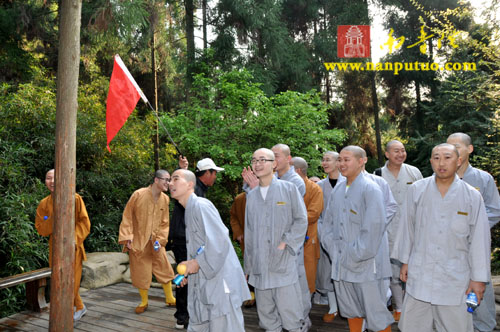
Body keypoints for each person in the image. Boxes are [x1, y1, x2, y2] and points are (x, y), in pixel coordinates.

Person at [392, 143, 491, 332]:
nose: (441, 163)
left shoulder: (471, 196)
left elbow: (479, 240)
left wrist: (478, 279)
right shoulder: (417, 190)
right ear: (431, 162)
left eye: (447, 157)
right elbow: (407, 228)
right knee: (412, 327)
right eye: (436, 158)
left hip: (455, 278)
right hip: (420, 274)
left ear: (459, 161)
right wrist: (405, 261)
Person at [321, 146, 393, 332]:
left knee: (375, 312)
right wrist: (333, 248)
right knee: (350, 308)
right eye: (340, 160)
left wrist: (354, 253)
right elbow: (327, 223)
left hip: (366, 264)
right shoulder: (338, 190)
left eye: (347, 160)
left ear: (361, 161)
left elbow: (373, 228)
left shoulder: (371, 189)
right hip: (340, 262)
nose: (342, 164)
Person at [169, 169, 250, 332]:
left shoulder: (201, 205)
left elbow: (219, 242)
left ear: (190, 184)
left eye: (176, 179)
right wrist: (187, 270)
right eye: (169, 180)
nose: (170, 183)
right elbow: (201, 247)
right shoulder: (189, 210)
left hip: (221, 284)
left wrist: (196, 263)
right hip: (205, 283)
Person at [244, 148, 308, 332]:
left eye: (263, 159)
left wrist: (285, 243)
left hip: (282, 265)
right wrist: (247, 267)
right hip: (260, 268)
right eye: (255, 160)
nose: (258, 163)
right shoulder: (252, 196)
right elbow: (249, 233)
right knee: (267, 319)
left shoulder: (288, 189)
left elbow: (301, 219)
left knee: (292, 318)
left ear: (274, 164)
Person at [447, 133, 500, 332]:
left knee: (480, 287)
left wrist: (471, 228)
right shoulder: (439, 178)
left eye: (457, 146)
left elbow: (495, 210)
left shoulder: (483, 179)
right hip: (448, 248)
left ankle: (484, 326)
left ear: (469, 149)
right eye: (449, 146)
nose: (453, 150)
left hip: (475, 246)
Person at [168, 157, 224, 330]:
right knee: (186, 277)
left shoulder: (199, 197)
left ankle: (186, 314)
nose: (215, 177)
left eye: (175, 179)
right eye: (214, 173)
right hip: (184, 242)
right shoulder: (197, 196)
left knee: (185, 276)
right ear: (207, 173)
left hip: (183, 242)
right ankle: (183, 316)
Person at [35, 169, 91, 321]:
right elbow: (40, 228)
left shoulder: (75, 198)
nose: (52, 181)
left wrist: (74, 238)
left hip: (74, 248)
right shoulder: (44, 204)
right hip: (55, 249)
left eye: (55, 178)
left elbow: (84, 222)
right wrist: (52, 218)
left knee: (71, 281)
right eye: (48, 178)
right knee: (59, 281)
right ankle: (79, 307)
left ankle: (69, 312)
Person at [376, 140, 423, 321]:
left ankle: (414, 308)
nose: (400, 154)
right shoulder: (378, 175)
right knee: (393, 273)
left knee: (412, 270)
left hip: (412, 228)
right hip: (388, 230)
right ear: (387, 154)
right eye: (396, 151)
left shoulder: (414, 172)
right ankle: (399, 308)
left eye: (403, 150)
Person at [118, 170, 176, 314]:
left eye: (170, 180)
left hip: (156, 242)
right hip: (138, 240)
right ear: (156, 180)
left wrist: (161, 239)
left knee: (164, 268)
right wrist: (128, 237)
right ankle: (144, 302)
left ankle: (170, 298)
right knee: (141, 271)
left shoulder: (165, 199)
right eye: (166, 180)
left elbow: (165, 222)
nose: (168, 183)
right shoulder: (138, 195)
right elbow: (127, 216)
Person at [315, 151, 344, 322]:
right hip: (325, 236)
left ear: (338, 162)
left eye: (328, 160)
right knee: (327, 273)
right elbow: (317, 214)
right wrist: (323, 233)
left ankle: (347, 308)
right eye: (323, 159)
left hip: (346, 236)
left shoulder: (348, 183)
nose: (324, 162)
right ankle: (333, 308)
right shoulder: (319, 186)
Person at [291, 157, 323, 295]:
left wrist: (291, 220)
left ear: (297, 171)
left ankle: (305, 313)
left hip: (308, 238)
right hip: (289, 237)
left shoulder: (315, 189)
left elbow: (314, 214)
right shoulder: (286, 185)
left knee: (307, 276)